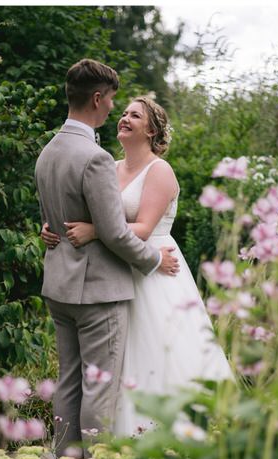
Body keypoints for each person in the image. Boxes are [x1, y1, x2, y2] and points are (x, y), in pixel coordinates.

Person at [42, 95, 231, 436]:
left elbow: (143, 227)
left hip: (154, 270)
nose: (124, 118)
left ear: (152, 130)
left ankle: (163, 437)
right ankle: (107, 443)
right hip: (113, 269)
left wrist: (96, 231)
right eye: (124, 112)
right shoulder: (109, 166)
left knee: (153, 355)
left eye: (135, 115)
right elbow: (88, 215)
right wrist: (54, 226)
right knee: (114, 363)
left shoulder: (159, 170)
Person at [36, 59, 180, 456]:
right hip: (97, 290)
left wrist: (48, 231)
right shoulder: (96, 158)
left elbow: (53, 217)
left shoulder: (48, 151)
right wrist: (154, 261)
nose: (115, 109)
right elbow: (115, 232)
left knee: (68, 381)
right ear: (97, 99)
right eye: (114, 101)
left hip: (59, 286)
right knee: (99, 385)